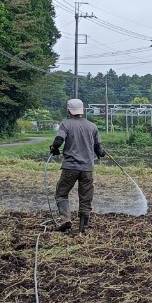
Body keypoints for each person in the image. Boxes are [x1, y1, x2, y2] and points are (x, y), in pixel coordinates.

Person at [50, 99, 105, 233]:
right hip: (87, 168)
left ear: (68, 111)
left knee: (61, 194)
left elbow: (58, 140)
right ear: (83, 110)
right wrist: (101, 153)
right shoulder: (92, 126)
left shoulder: (65, 124)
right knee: (86, 198)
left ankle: (65, 220)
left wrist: (54, 148)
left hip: (70, 167)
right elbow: (98, 148)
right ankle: (83, 228)